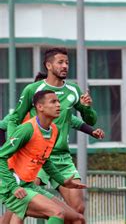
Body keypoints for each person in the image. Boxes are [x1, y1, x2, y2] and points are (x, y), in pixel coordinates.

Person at [1, 47, 98, 219]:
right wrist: (14, 145)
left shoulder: (73, 90)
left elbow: (87, 120)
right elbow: (14, 119)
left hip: (61, 157)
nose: (65, 66)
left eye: (67, 62)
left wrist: (87, 110)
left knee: (77, 210)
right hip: (35, 155)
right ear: (49, 65)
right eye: (60, 62)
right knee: (21, 203)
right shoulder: (33, 90)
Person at [0, 90, 87, 223]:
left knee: (78, 219)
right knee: (57, 213)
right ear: (39, 107)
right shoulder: (27, 129)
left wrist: (63, 181)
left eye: (58, 101)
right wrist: (13, 186)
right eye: (53, 101)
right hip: (14, 187)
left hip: (28, 186)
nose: (58, 105)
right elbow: (1, 157)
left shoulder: (54, 130)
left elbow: (45, 160)